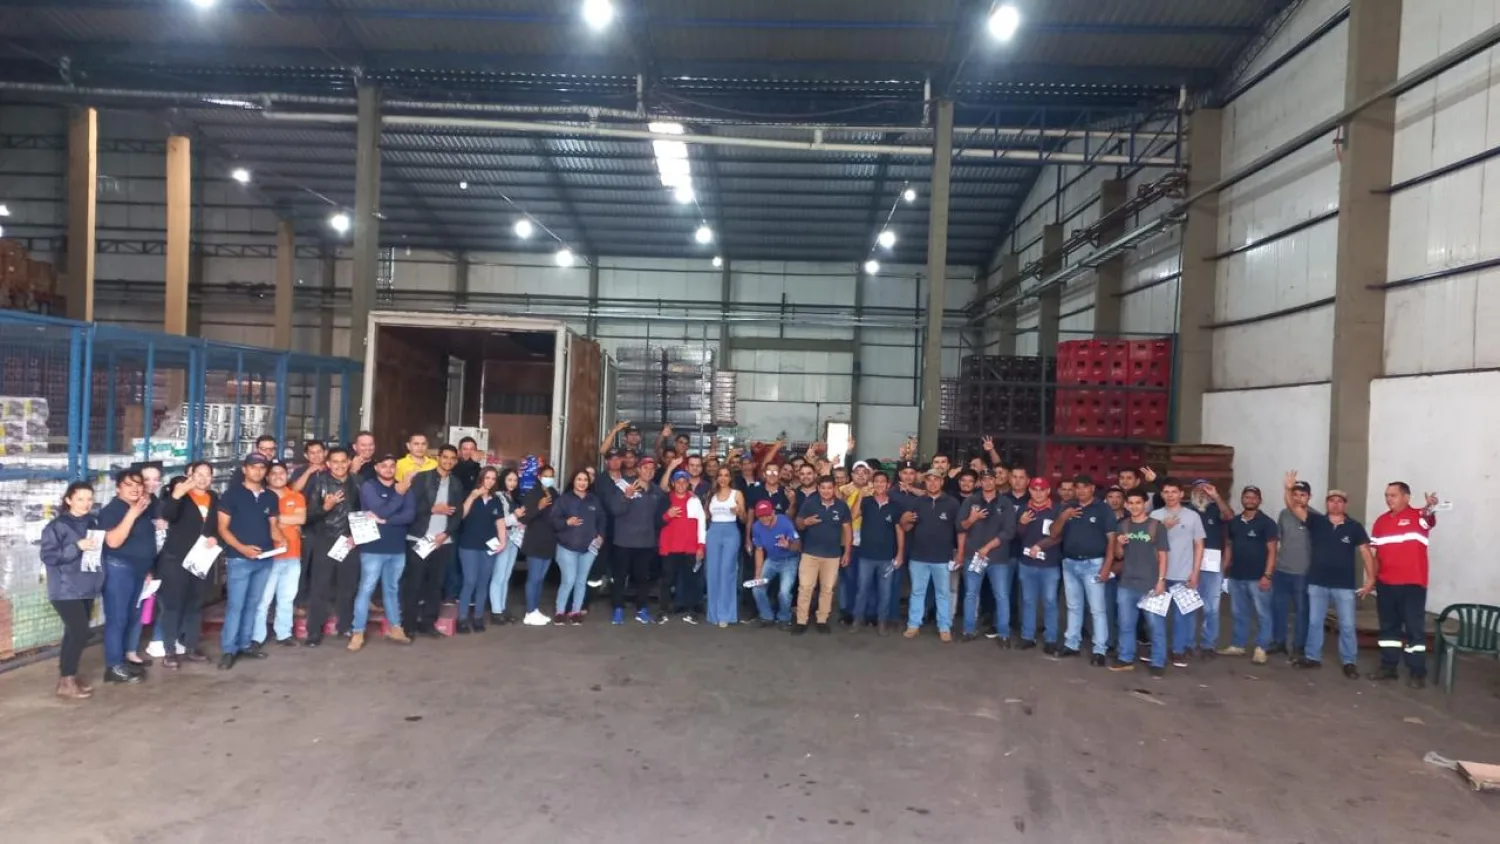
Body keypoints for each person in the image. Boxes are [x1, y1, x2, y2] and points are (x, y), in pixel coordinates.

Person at [1284, 481, 1374, 678]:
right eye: (1332, 500)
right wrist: (1289, 489)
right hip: (1318, 582)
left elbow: (1366, 552)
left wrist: (1370, 579)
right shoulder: (1316, 521)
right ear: (1326, 503)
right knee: (1315, 622)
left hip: (1344, 585)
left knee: (1347, 625)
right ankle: (1312, 657)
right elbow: (1293, 507)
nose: (1335, 504)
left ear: (1345, 505)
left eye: (1339, 501)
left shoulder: (1354, 527)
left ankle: (1349, 661)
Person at [216, 454, 285, 670]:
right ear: (245, 470)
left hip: (264, 559)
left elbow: (273, 525)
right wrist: (242, 548)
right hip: (239, 559)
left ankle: (245, 644)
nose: (258, 471)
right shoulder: (231, 495)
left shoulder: (270, 497)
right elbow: (222, 529)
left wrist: (280, 538)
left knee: (253, 603)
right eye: (253, 467)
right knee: (236, 605)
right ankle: (229, 649)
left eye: (262, 468)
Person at [1369, 480, 1440, 688]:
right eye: (1386, 495)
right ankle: (1388, 667)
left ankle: (1417, 672)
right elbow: (1375, 554)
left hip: (1412, 585)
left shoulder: (1419, 516)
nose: (1388, 499)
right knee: (1388, 628)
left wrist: (1429, 506)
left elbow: (1428, 518)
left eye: (1393, 495)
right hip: (1386, 584)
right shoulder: (1381, 521)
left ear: (1406, 497)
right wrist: (1372, 578)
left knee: (1414, 629)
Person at [40, 482, 105, 699]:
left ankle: (68, 678)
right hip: (64, 588)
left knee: (73, 633)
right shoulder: (57, 526)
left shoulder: (92, 521)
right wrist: (77, 546)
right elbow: (49, 556)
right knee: (80, 633)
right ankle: (66, 680)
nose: (86, 503)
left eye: (89, 499)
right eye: (80, 499)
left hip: (86, 585)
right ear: (68, 500)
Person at [154, 462, 220, 668]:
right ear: (190, 476)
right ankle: (169, 650)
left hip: (201, 559)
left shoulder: (214, 498)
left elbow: (217, 525)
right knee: (173, 605)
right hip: (176, 559)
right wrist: (177, 494)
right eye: (198, 474)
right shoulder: (180, 495)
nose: (203, 478)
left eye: (208, 475)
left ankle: (190, 646)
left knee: (195, 604)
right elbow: (168, 515)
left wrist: (216, 538)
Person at [351, 455, 416, 651]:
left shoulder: (404, 486)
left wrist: (386, 521)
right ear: (377, 468)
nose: (388, 469)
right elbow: (380, 509)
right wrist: (398, 495)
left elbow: (409, 516)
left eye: (391, 466)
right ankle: (357, 632)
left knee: (392, 589)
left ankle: (395, 628)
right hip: (373, 548)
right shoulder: (369, 487)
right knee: (366, 589)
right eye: (384, 466)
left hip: (397, 548)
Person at [97, 469, 156, 684]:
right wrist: (132, 513)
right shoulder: (112, 511)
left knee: (131, 617)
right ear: (118, 488)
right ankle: (113, 666)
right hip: (119, 570)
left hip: (138, 571)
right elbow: (113, 542)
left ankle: (123, 660)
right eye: (129, 484)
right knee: (117, 618)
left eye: (138, 484)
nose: (135, 488)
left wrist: (148, 569)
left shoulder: (142, 508)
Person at [302, 446, 364, 647]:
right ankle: (314, 632)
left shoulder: (358, 482)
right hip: (325, 540)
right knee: (320, 588)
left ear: (349, 462)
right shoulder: (319, 482)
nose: (339, 466)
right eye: (335, 462)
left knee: (348, 587)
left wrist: (356, 536)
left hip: (350, 542)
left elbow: (365, 511)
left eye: (343, 461)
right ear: (328, 464)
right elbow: (307, 516)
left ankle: (345, 626)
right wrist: (325, 508)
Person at [1051, 474, 1115, 665]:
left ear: (1092, 488)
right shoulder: (1067, 507)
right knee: (1073, 606)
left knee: (1097, 609)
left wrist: (1107, 566)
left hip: (1093, 564)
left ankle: (1100, 649)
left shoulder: (1103, 509)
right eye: (1077, 487)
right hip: (1070, 563)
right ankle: (1072, 644)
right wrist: (1064, 516)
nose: (1080, 491)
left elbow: (1112, 540)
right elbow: (1053, 533)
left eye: (1084, 487)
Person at [1109, 490, 1170, 677]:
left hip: (1150, 584)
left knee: (1155, 626)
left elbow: (1163, 556)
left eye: (1138, 502)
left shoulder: (1156, 526)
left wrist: (1161, 581)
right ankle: (1126, 658)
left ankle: (1158, 661)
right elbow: (1118, 555)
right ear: (1126, 505)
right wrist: (1119, 543)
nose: (1134, 506)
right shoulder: (1123, 525)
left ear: (1145, 504)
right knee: (1126, 624)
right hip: (1127, 582)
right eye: (1131, 503)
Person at [406, 444, 464, 637]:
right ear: (438, 458)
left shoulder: (456, 484)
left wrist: (446, 534)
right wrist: (432, 509)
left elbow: (458, 514)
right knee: (414, 583)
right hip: (419, 538)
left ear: (455, 461)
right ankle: (409, 625)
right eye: (445, 457)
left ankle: (428, 623)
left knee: (435, 585)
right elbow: (410, 507)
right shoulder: (423, 478)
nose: (448, 461)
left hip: (442, 542)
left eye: (452, 458)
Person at [1149, 478, 1206, 668]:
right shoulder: (1155, 515)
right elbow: (1147, 542)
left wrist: (1195, 572)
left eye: (1174, 492)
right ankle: (1158, 650)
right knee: (1156, 616)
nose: (1170, 495)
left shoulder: (1192, 516)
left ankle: (1178, 650)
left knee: (1182, 616)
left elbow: (1199, 545)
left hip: (1183, 573)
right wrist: (1162, 528)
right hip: (1159, 574)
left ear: (1181, 494)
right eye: (1166, 492)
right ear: (1161, 494)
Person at [957, 468, 1017, 643]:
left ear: (996, 480)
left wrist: (987, 547)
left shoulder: (1005, 503)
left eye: (991, 479)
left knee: (1001, 596)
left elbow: (1009, 531)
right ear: (980, 482)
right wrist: (972, 519)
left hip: (998, 558)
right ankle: (968, 630)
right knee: (971, 594)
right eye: (984, 479)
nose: (988, 482)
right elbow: (960, 526)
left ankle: (1004, 634)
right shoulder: (971, 501)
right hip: (973, 556)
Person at [1220, 486, 1278, 664]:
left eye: (1254, 497)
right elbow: (1229, 547)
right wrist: (1223, 570)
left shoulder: (1267, 523)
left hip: (1258, 577)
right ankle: (1238, 645)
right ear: (1242, 499)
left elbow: (1272, 551)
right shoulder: (1234, 522)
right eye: (1247, 497)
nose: (1250, 500)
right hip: (1236, 576)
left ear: (1259, 501)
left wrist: (1267, 575)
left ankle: (1261, 648)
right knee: (1238, 612)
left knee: (1263, 613)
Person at [602, 456, 662, 625]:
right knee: (620, 578)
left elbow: (659, 518)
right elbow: (614, 510)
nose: (648, 472)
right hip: (624, 541)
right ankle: (618, 609)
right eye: (645, 468)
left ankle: (642, 610)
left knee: (643, 579)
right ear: (638, 470)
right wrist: (626, 497)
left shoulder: (657, 492)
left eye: (652, 469)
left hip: (646, 542)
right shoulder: (624, 486)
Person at [251, 462, 305, 649]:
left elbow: (301, 518)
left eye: (281, 472)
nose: (278, 476)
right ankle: (257, 637)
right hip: (269, 555)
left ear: (287, 475)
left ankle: (284, 634)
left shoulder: (296, 496)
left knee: (287, 598)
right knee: (263, 599)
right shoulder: (261, 497)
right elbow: (258, 521)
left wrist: (273, 519)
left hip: (293, 554)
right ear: (267, 477)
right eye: (273, 473)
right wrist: (288, 522)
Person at [902, 468, 959, 642]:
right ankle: (913, 625)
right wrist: (905, 519)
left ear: (942, 482)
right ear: (925, 482)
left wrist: (960, 553)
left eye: (936, 479)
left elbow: (960, 531)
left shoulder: (952, 503)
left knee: (943, 593)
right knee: (917, 592)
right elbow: (906, 527)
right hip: (918, 556)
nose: (933, 483)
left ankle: (944, 627)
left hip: (942, 557)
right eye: (929, 480)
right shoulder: (918, 502)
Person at [792, 475, 852, 636]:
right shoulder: (810, 503)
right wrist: (806, 522)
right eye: (823, 488)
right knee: (805, 588)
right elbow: (798, 523)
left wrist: (847, 552)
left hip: (832, 555)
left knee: (827, 589)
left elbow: (847, 530)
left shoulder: (842, 506)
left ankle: (822, 620)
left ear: (834, 488)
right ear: (818, 488)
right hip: (810, 554)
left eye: (829, 488)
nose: (826, 491)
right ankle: (801, 620)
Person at [852, 470, 907, 636]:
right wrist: (861, 495)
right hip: (866, 555)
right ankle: (857, 619)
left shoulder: (895, 506)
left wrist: (900, 554)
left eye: (883, 482)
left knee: (885, 592)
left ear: (888, 485)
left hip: (887, 557)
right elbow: (853, 515)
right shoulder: (867, 502)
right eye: (876, 481)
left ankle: (882, 621)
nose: (879, 484)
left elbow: (900, 531)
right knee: (862, 589)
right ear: (872, 484)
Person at [455, 467, 506, 633]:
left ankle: (478, 617)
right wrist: (472, 497)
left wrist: (503, 541)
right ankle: (462, 618)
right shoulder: (470, 495)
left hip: (488, 546)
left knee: (483, 582)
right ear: (481, 478)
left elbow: (500, 522)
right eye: (487, 477)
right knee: (470, 581)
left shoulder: (496, 500)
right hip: (469, 545)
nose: (490, 481)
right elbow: (461, 516)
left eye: (493, 478)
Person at [552, 468, 604, 624]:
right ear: (573, 481)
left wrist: (601, 535)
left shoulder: (594, 500)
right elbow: (553, 520)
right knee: (568, 580)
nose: (582, 482)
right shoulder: (564, 499)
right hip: (567, 547)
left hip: (588, 549)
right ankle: (560, 611)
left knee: (581, 581)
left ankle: (575, 612)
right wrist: (566, 522)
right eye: (579, 479)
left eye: (585, 480)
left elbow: (602, 519)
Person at [1016, 477, 1062, 653]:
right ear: (1030, 491)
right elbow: (1016, 535)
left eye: (1041, 490)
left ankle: (1051, 639)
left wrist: (1040, 546)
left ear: (1048, 491)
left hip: (1049, 564)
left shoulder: (1057, 509)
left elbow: (1059, 536)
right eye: (1034, 489)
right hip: (1027, 563)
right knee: (1028, 601)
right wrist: (1022, 523)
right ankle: (1028, 637)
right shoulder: (1023, 509)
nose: (1038, 493)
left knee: (1050, 602)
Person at [1187, 481, 1232, 658]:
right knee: (1189, 606)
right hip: (1189, 563)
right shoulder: (1187, 510)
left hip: (1212, 564)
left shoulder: (1215, 509)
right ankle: (1188, 643)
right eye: (1198, 490)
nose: (1202, 493)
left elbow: (1229, 516)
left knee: (1211, 607)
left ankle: (1208, 644)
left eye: (1206, 490)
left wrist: (1216, 496)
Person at [658, 470, 707, 624]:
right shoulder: (665, 500)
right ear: (673, 483)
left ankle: (691, 612)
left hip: (689, 548)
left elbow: (701, 524)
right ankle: (662, 611)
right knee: (666, 580)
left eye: (684, 482)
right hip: (669, 547)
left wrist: (701, 546)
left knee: (690, 580)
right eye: (678, 482)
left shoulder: (694, 500)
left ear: (688, 484)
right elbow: (656, 522)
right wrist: (668, 515)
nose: (681, 485)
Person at [1272, 477, 1314, 658]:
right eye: (1294, 494)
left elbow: (1296, 510)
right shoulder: (1284, 514)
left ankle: (1299, 646)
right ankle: (1279, 642)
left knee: (1301, 611)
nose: (1298, 498)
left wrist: (1286, 489)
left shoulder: (1315, 517)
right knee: (1278, 609)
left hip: (1302, 573)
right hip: (1282, 571)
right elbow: (1278, 541)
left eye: (1302, 495)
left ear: (1309, 497)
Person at [703, 466, 747, 628]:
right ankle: (713, 613)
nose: (723, 478)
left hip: (731, 532)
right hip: (713, 532)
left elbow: (744, 518)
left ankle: (726, 614)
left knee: (727, 572)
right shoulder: (711, 494)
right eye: (720, 475)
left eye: (726, 475)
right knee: (712, 572)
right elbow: (706, 515)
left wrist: (739, 512)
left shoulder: (737, 494)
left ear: (730, 478)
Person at [749, 499, 801, 629]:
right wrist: (758, 573)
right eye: (761, 516)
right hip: (771, 560)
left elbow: (798, 545)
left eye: (767, 515)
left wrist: (788, 545)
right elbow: (759, 550)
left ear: (773, 512)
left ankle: (784, 618)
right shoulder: (756, 527)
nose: (764, 519)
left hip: (789, 560)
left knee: (784, 592)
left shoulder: (785, 522)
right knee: (757, 588)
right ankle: (767, 616)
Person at [520, 466, 560, 626]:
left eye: (551, 476)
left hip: (549, 541)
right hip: (535, 541)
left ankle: (535, 609)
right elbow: (525, 518)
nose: (549, 479)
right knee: (533, 578)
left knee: (541, 579)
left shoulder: (554, 493)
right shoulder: (532, 494)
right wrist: (539, 507)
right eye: (546, 476)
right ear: (539, 476)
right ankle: (529, 612)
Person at [487, 469, 525, 624]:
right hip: (501, 538)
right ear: (503, 480)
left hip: (513, 538)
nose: (512, 483)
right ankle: (496, 611)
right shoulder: (498, 496)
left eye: (515, 480)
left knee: (506, 576)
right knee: (499, 575)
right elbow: (499, 521)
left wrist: (520, 522)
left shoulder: (512, 497)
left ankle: (502, 608)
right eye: (509, 480)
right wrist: (515, 516)